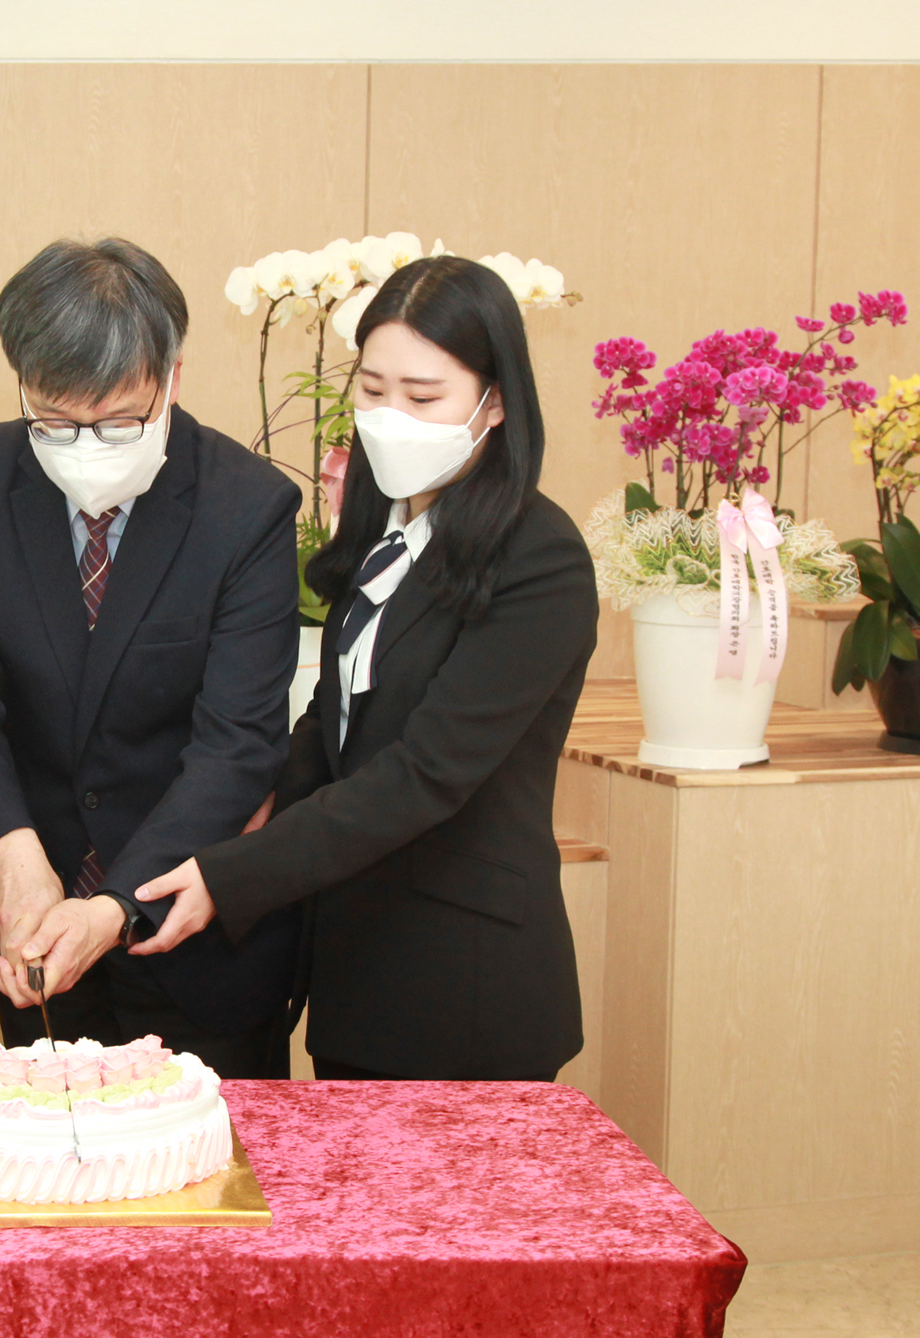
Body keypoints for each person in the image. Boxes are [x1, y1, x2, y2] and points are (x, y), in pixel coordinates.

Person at [131, 255, 598, 1083]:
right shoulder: (387, 525)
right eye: (373, 390)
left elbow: (423, 775)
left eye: (423, 397)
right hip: (361, 971)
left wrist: (230, 875)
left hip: (467, 986)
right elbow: (334, 721)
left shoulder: (540, 556)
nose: (391, 419)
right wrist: (242, 802)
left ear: (495, 402)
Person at [0, 237, 301, 1079]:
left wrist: (118, 904)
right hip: (34, 930)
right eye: (56, 422)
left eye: (121, 421)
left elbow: (238, 743)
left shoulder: (247, 506)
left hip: (192, 941)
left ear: (173, 377)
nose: (87, 446)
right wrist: (12, 852)